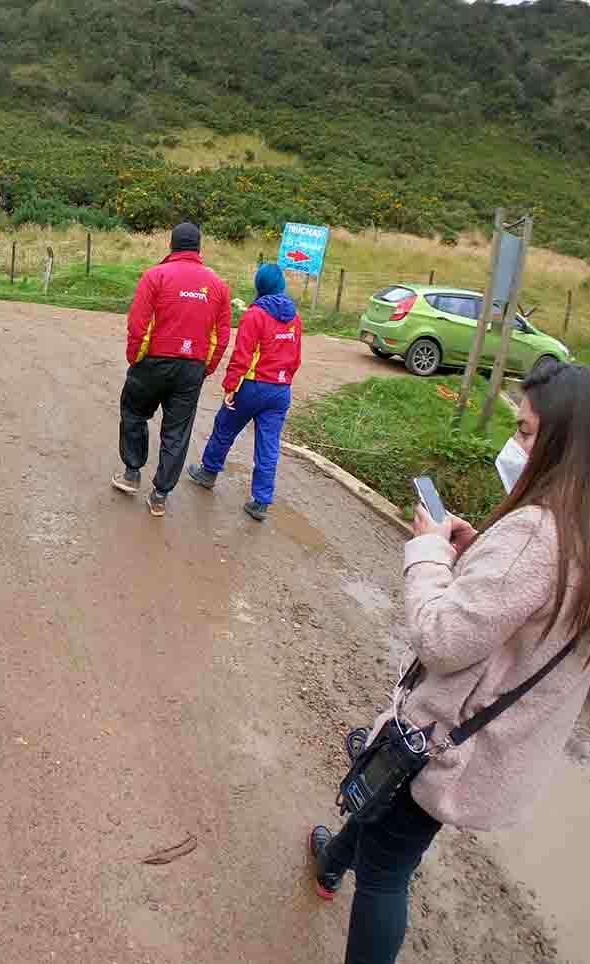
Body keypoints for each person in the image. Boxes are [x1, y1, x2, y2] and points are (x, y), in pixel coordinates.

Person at [307, 359, 590, 964]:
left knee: (386, 872)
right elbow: (526, 616)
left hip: (445, 747)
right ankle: (331, 860)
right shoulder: (578, 532)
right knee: (383, 808)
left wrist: (430, 552)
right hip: (490, 747)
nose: (515, 444)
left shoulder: (536, 535)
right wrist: (476, 553)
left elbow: (440, 637)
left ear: (564, 445)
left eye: (525, 430)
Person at [113, 222, 232, 517]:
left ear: (171, 245)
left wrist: (135, 359)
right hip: (192, 369)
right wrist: (204, 369)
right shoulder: (218, 286)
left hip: (152, 362)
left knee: (134, 412)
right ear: (199, 248)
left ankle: (131, 473)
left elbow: (139, 325)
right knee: (177, 432)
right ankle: (160, 495)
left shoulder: (155, 276)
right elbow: (221, 336)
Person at [185, 264, 302, 521]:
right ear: (281, 285)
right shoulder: (295, 317)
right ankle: (261, 502)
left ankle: (208, 473)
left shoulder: (254, 315)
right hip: (281, 390)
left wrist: (231, 386)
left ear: (260, 285)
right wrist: (283, 380)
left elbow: (242, 355)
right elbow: (295, 359)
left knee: (225, 427)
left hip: (252, 386)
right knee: (268, 445)